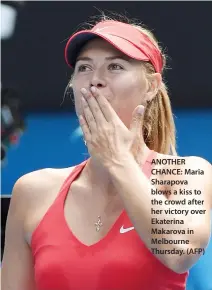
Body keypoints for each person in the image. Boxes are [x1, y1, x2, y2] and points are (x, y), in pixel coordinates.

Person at [2, 13, 212, 290]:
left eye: (115, 67)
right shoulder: (32, 191)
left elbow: (180, 251)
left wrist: (117, 158)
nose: (95, 80)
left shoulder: (187, 174)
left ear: (151, 86)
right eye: (84, 68)